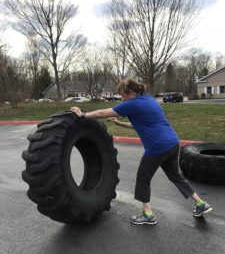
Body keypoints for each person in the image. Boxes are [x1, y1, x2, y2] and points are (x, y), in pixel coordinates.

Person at [70, 78, 212, 225]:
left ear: (129, 92)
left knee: (143, 179)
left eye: (122, 95)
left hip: (157, 147)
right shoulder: (148, 99)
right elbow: (140, 123)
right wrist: (119, 123)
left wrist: (83, 114)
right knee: (176, 177)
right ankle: (201, 204)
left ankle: (148, 214)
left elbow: (102, 113)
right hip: (172, 143)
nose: (122, 99)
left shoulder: (132, 104)